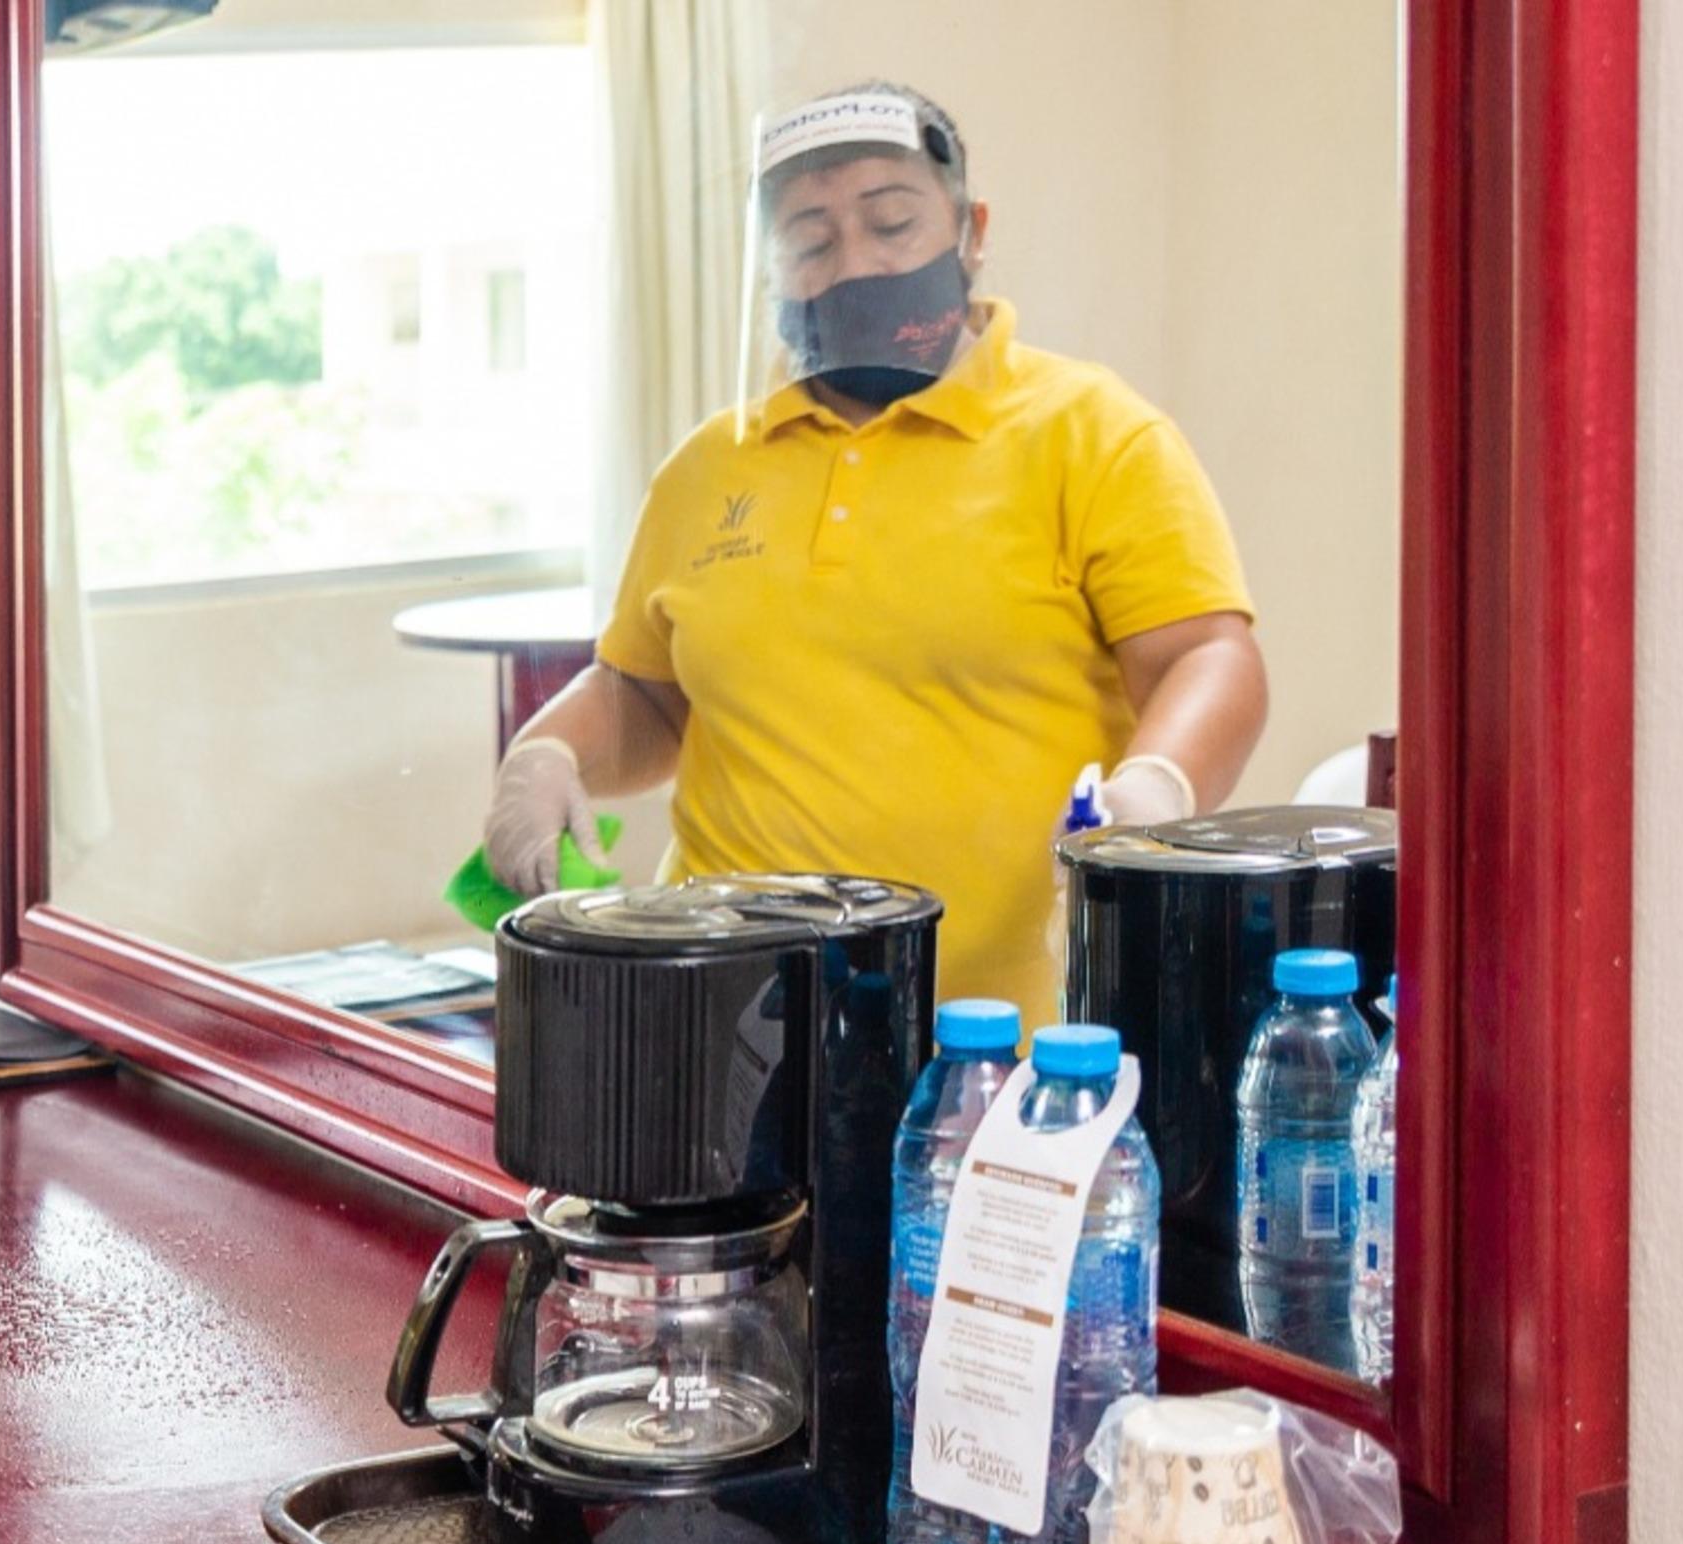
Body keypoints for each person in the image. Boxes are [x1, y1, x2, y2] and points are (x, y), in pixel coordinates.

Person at [485, 83, 1268, 1025]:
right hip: (724, 1029)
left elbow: (1207, 655)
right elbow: (652, 695)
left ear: (971, 232)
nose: (853, 265)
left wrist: (1155, 789)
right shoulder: (709, 465)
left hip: (1001, 1046)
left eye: (892, 223)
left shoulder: (1093, 434)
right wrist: (549, 753)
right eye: (810, 241)